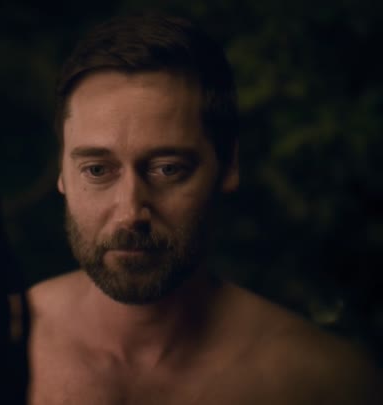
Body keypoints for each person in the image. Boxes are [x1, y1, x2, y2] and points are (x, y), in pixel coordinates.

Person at [27, 14, 380, 405]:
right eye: (97, 170)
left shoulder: (325, 381)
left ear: (228, 166)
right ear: (62, 171)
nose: (130, 213)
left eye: (168, 169)